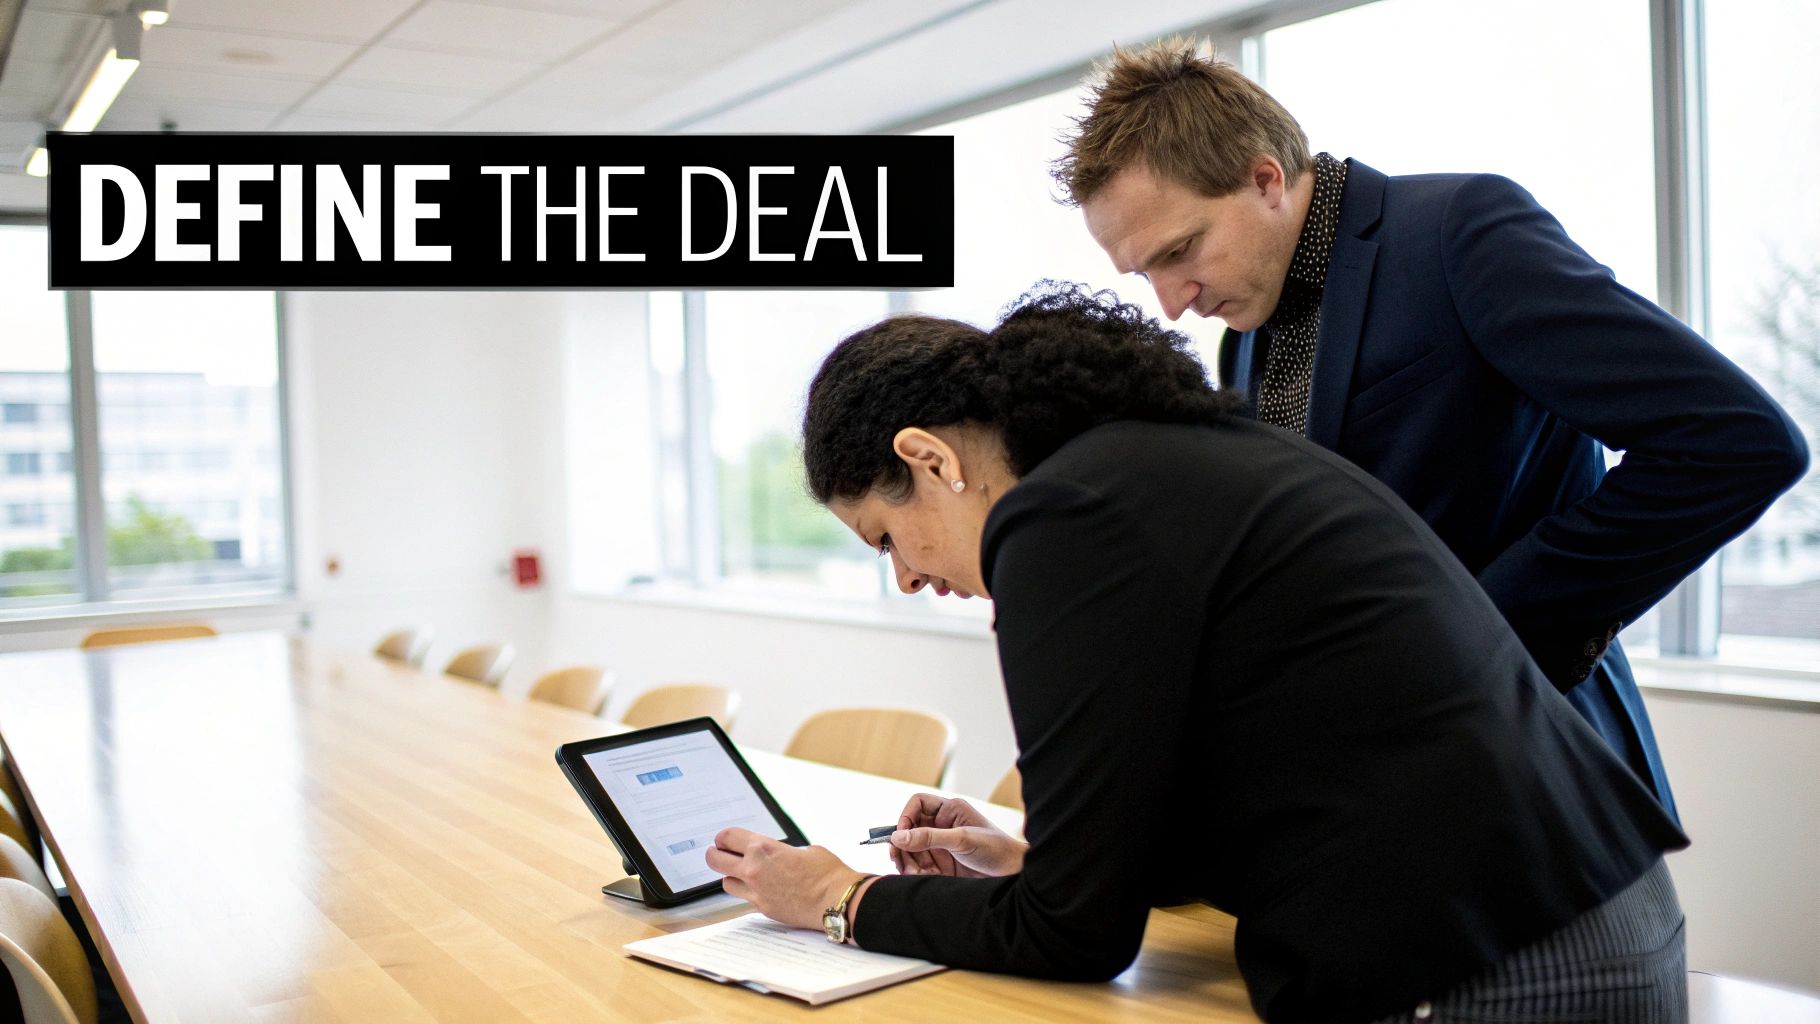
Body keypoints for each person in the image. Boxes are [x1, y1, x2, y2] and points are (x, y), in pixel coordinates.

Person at [707, 284, 1690, 1023]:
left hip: (1490, 963)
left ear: (929, 459)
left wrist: (841, 896)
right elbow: (1270, 777)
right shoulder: (1160, 460)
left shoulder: (1059, 519)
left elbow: (1073, 937)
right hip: (1580, 913)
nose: (908, 579)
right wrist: (1043, 858)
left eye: (886, 537)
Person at [1059, 40, 1809, 819]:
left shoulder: (1458, 233)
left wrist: (1476, 637)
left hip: (1536, 784)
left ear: (1264, 177)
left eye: (1179, 251)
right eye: (1143, 272)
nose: (1170, 301)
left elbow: (1734, 440)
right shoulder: (1241, 339)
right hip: (1383, 816)